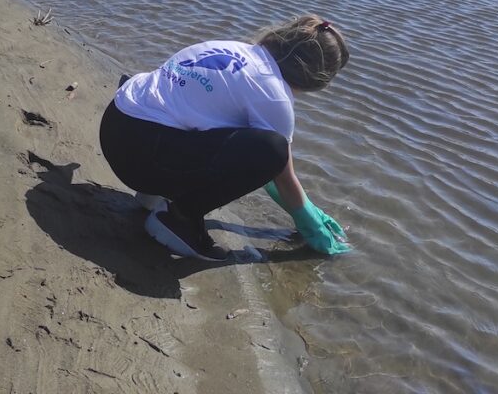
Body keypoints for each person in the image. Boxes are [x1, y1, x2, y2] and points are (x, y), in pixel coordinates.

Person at [99, 14, 351, 262]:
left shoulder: (232, 48)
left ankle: (153, 194)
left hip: (116, 125)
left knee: (189, 111)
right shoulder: (274, 96)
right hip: (138, 157)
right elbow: (280, 173)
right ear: (314, 80)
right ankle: (179, 220)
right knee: (272, 150)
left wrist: (307, 208)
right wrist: (310, 221)